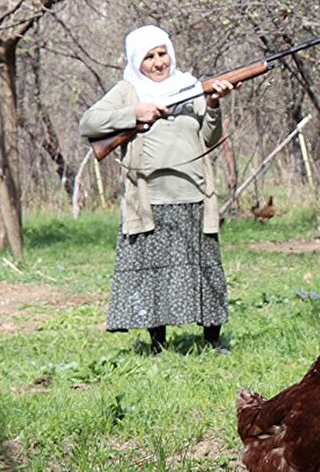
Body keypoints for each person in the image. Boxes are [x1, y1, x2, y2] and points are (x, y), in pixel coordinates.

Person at [79, 25, 233, 354]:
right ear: (137, 60)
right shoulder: (127, 90)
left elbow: (209, 138)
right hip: (151, 201)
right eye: (149, 56)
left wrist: (214, 105)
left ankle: (213, 341)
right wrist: (133, 113)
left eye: (162, 53)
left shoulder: (190, 87)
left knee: (205, 271)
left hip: (194, 196)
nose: (159, 62)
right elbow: (88, 123)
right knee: (154, 275)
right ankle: (158, 345)